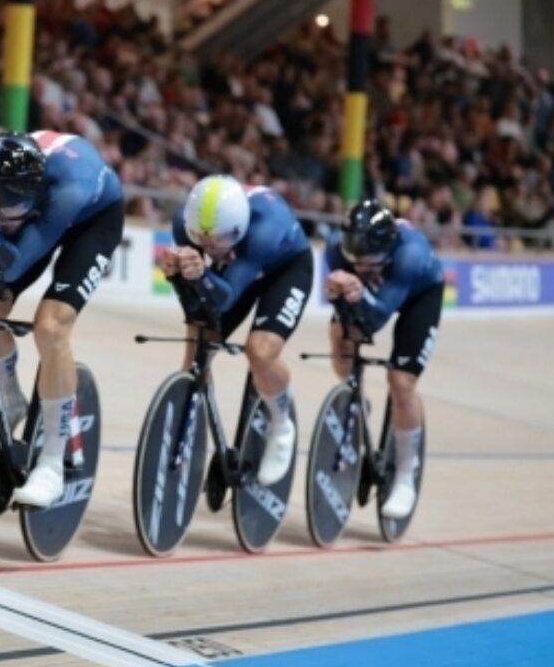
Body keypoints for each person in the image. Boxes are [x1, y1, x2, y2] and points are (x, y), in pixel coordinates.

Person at [0, 130, 124, 509]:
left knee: (51, 326)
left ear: (32, 194)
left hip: (92, 219)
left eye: (6, 206)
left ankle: (53, 464)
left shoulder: (65, 189)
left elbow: (17, 261)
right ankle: (9, 397)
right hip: (39, 211)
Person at [162, 175, 314, 487]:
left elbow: (227, 295)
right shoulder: (185, 222)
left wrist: (201, 272)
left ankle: (282, 424)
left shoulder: (263, 229)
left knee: (260, 351)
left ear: (236, 231)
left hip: (285, 270)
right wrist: (178, 277)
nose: (208, 249)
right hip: (235, 268)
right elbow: (197, 308)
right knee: (196, 355)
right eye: (202, 243)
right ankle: (190, 435)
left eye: (215, 244)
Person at [325, 199, 444, 518]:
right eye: (356, 259)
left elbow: (377, 317)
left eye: (369, 260)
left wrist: (356, 289)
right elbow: (349, 317)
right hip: (372, 292)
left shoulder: (411, 253)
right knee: (340, 336)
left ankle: (406, 472)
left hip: (419, 294)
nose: (361, 264)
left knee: (401, 382)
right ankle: (355, 397)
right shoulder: (336, 246)